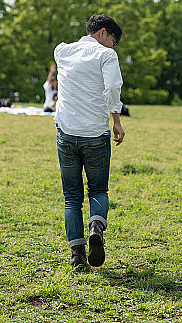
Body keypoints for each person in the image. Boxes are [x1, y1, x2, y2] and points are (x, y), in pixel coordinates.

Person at [53, 14, 125, 268]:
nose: (112, 46)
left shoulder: (62, 52)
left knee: (71, 196)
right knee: (98, 189)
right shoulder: (106, 56)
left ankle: (77, 255)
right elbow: (112, 88)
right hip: (95, 132)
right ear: (103, 32)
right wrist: (116, 120)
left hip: (66, 132)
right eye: (113, 40)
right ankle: (96, 225)